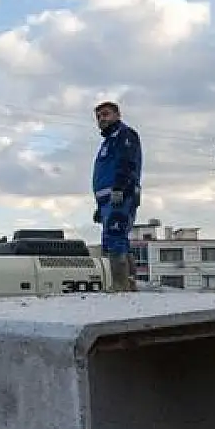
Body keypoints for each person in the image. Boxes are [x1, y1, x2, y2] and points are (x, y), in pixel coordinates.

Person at [91, 100, 143, 291]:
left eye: (105, 114)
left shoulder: (124, 135)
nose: (101, 119)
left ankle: (121, 284)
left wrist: (120, 187)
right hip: (107, 200)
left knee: (115, 237)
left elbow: (127, 162)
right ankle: (128, 283)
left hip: (121, 196)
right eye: (98, 117)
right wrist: (100, 206)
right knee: (115, 239)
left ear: (117, 115)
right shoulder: (108, 141)